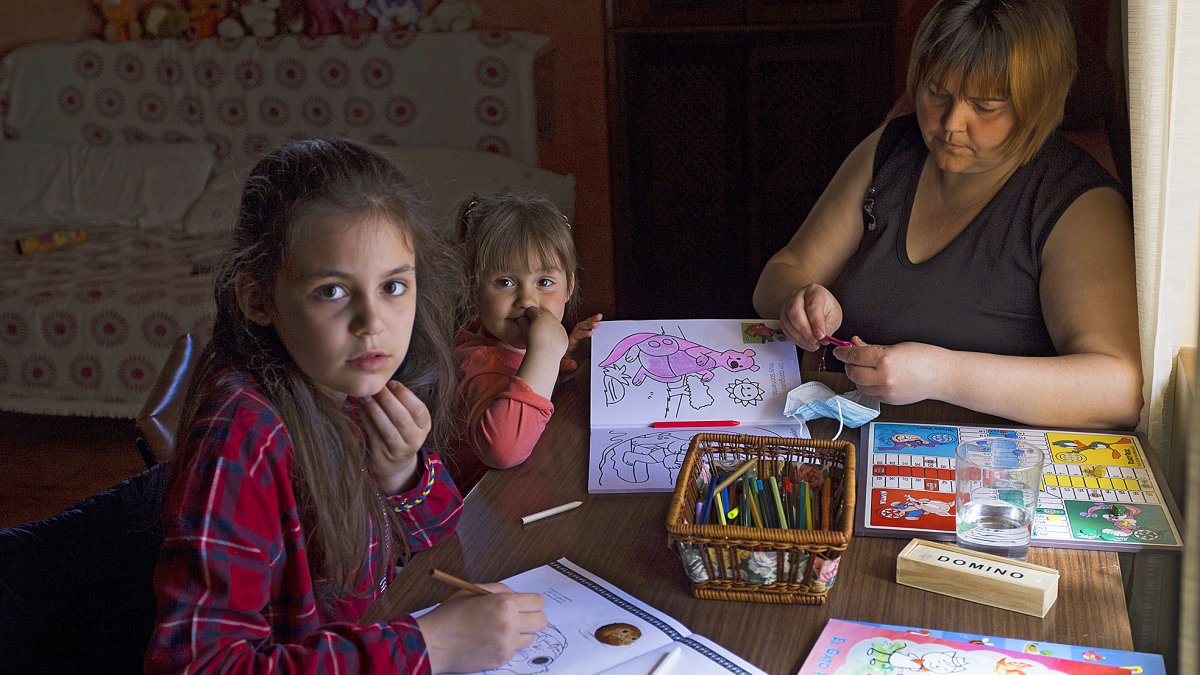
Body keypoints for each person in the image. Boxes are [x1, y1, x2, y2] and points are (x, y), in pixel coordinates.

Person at [144, 139, 546, 673]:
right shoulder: (241, 437)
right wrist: (431, 647)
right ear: (258, 298)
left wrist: (403, 473)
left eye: (393, 286)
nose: (372, 322)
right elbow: (197, 666)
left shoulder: (348, 383)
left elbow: (439, 534)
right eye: (333, 292)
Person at [753, 0, 1141, 429]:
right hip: (851, 444)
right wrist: (799, 300)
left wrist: (943, 375)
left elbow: (1119, 389)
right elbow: (782, 271)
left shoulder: (1078, 203)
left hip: (990, 471)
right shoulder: (891, 153)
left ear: (1039, 103)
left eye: (987, 105)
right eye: (937, 91)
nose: (952, 122)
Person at [453, 192, 602, 475]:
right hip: (480, 510)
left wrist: (559, 359)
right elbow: (504, 451)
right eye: (505, 282)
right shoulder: (476, 363)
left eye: (544, 281)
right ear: (473, 290)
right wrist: (544, 355)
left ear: (569, 285)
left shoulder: (512, 345)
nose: (527, 299)